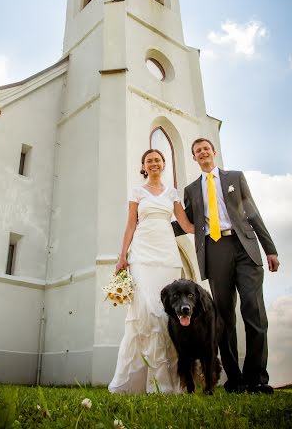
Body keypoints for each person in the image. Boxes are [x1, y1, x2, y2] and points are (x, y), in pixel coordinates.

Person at [178, 138, 279, 394]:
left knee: (254, 311)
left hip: (244, 246)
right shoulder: (191, 190)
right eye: (197, 150)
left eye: (205, 148)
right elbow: (186, 221)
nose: (202, 152)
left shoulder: (235, 177)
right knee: (223, 318)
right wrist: (150, 224)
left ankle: (257, 378)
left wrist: (270, 249)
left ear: (213, 152)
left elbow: (252, 212)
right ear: (194, 158)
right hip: (214, 250)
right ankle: (235, 380)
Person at [108, 149, 194, 394]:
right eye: (149, 161)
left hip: (167, 255)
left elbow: (186, 225)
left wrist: (212, 226)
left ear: (163, 164)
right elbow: (130, 224)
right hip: (142, 254)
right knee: (145, 312)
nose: (154, 163)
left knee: (167, 313)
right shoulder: (137, 192)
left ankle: (171, 380)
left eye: (158, 160)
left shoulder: (172, 193)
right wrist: (122, 255)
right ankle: (149, 383)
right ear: (144, 166)